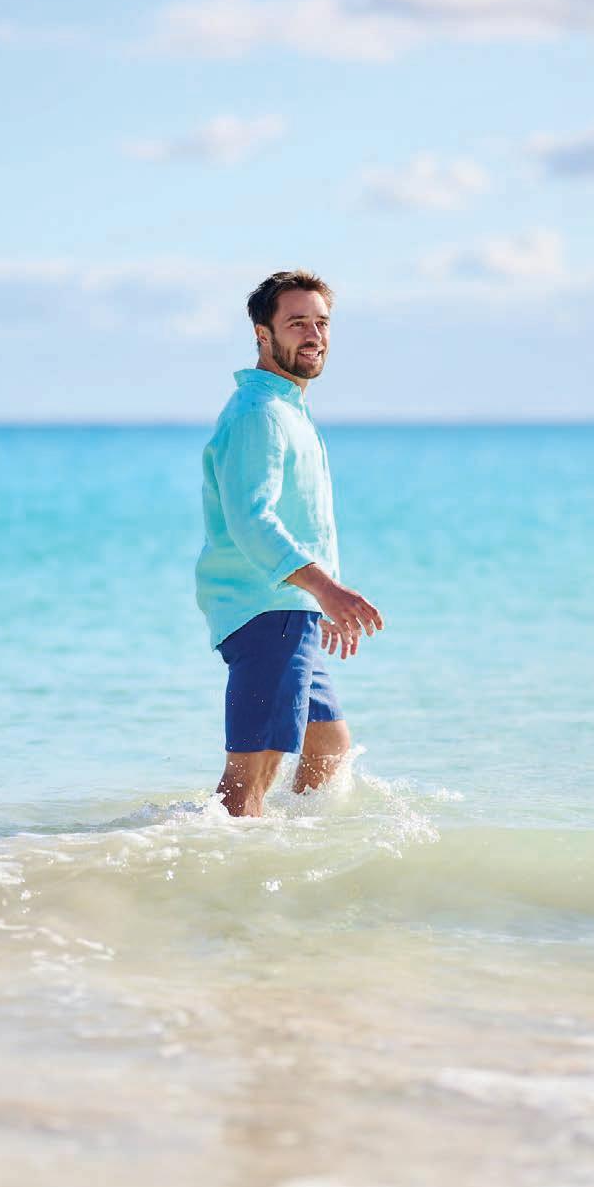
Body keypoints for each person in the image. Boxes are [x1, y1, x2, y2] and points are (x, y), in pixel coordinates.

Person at [195, 269, 383, 817]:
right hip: (265, 611)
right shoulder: (259, 414)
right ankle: (225, 862)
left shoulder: (287, 409)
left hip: (288, 609)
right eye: (297, 323)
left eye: (321, 323)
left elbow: (303, 519)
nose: (313, 335)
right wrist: (325, 590)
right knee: (250, 776)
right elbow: (252, 521)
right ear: (263, 335)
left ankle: (289, 851)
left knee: (329, 747)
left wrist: (317, 600)